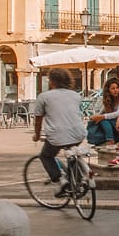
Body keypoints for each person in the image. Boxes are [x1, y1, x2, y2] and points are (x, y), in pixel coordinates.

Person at [30, 68, 85, 198]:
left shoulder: (44, 97)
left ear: (52, 81)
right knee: (72, 154)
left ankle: (61, 180)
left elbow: (38, 120)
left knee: (46, 156)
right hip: (78, 133)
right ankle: (77, 182)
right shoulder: (75, 95)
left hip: (57, 135)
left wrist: (37, 135)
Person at [86, 77, 119, 146]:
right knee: (99, 120)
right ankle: (100, 139)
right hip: (116, 124)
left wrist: (101, 117)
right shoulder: (109, 100)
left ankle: (110, 140)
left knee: (103, 119)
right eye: (113, 88)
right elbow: (101, 113)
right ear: (108, 90)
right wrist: (95, 117)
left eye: (117, 88)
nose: (115, 90)